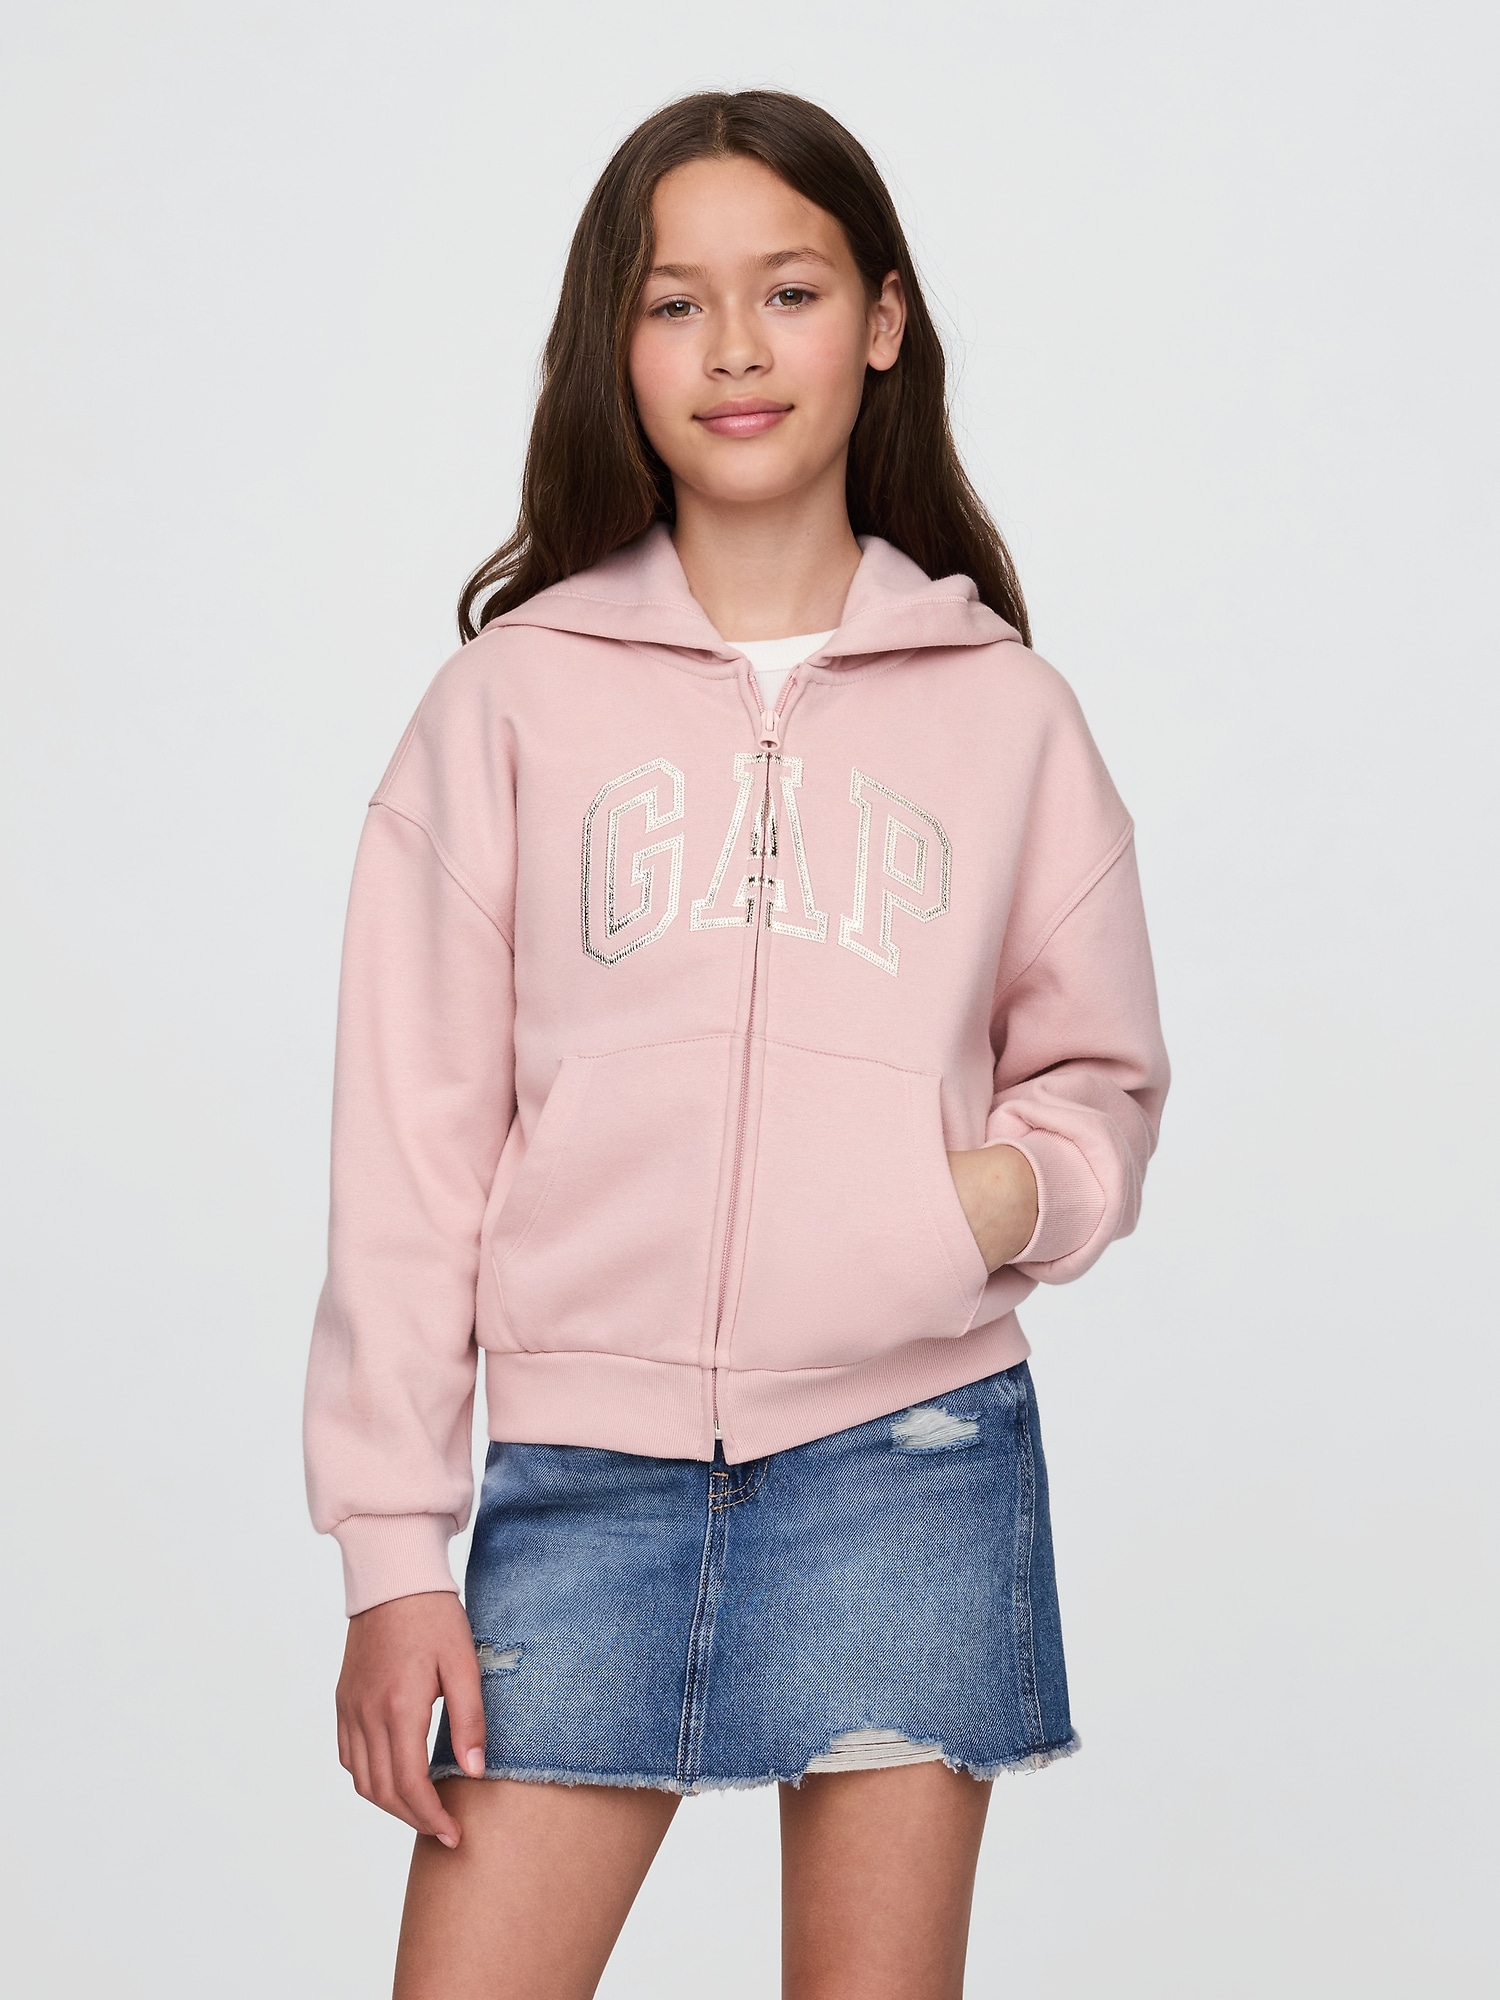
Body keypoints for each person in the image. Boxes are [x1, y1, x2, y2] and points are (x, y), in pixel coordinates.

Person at [302, 88, 1170, 2000]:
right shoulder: (506, 704)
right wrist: (393, 1552)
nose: (735, 351)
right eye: (674, 303)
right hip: (579, 1476)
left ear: (882, 318)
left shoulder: (1006, 713)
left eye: (788, 291)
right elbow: (412, 1152)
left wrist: (987, 1201)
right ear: (614, 346)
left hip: (909, 1460)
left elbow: (1099, 1077)